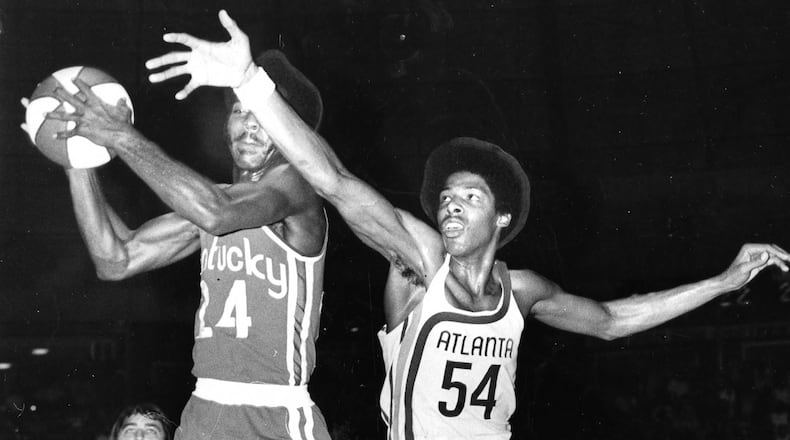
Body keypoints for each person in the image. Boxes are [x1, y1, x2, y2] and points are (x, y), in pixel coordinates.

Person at [143, 10, 790, 439]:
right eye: (445, 196)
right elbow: (334, 182)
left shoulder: (522, 293)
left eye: (469, 197)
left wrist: (723, 281)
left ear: (502, 217)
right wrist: (251, 84)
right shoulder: (421, 264)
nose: (449, 205)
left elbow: (614, 320)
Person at [27, 36, 332, 440]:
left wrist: (121, 135)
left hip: (274, 415)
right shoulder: (213, 203)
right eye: (239, 111)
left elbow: (215, 212)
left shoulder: (296, 188)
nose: (249, 125)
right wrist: (75, 158)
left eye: (262, 115)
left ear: (290, 132)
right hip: (205, 410)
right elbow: (116, 259)